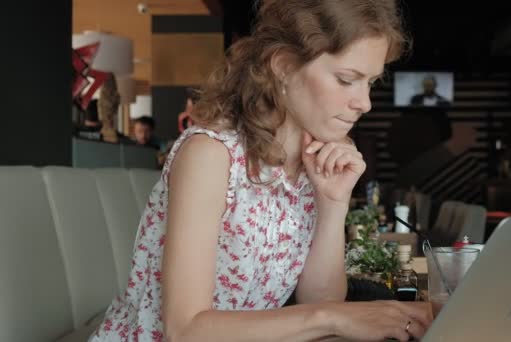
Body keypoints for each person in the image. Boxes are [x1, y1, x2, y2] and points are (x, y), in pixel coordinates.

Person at [89, 1, 432, 341]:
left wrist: (333, 204)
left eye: (370, 82)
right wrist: (337, 317)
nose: (365, 102)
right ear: (283, 66)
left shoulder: (311, 164)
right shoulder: (211, 155)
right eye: (346, 80)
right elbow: (186, 330)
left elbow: (321, 302)